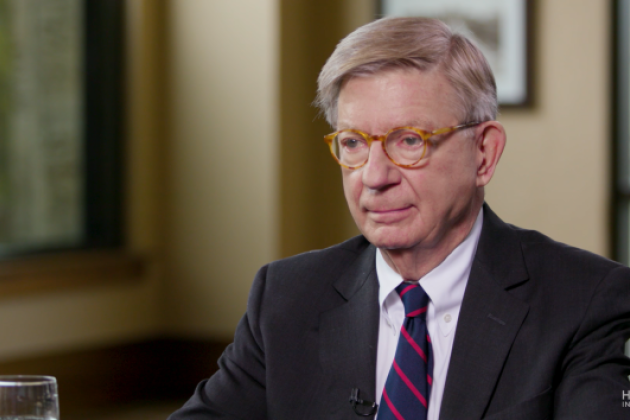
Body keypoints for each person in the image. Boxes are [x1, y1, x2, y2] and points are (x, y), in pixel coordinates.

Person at [168, 17, 630, 420]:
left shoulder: (586, 301)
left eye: (409, 140)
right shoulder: (286, 299)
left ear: (484, 154)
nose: (373, 176)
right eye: (353, 143)